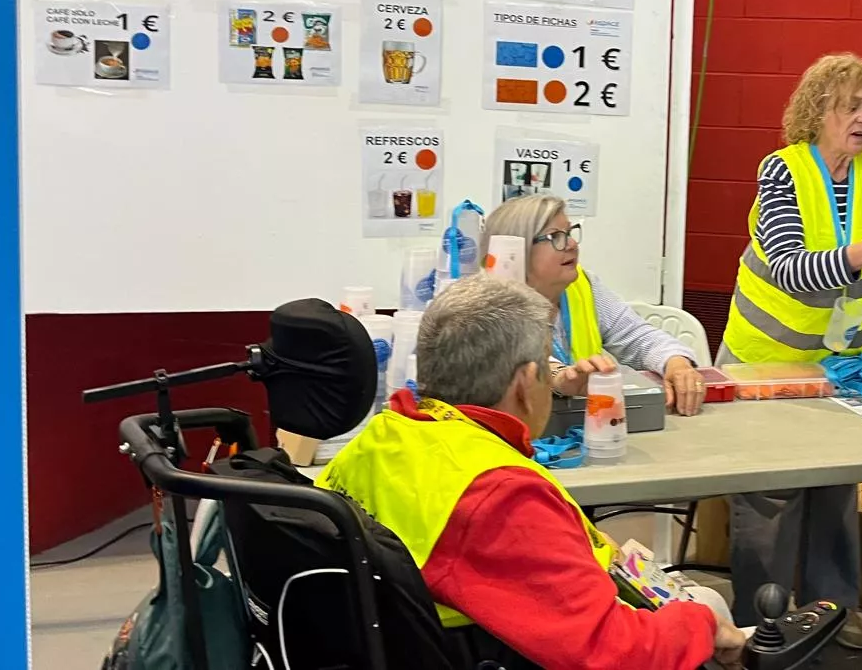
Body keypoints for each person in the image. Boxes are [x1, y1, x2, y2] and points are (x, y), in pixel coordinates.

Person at [317, 275, 746, 669]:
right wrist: (700, 626)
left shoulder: (386, 434)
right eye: (548, 364)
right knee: (709, 607)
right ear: (524, 383)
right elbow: (612, 653)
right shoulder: (498, 492)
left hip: (398, 645)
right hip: (491, 652)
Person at [718, 52, 862, 648]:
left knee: (836, 487)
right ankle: (760, 625)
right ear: (817, 110)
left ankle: (832, 612)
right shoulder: (781, 170)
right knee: (768, 499)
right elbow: (789, 269)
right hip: (765, 360)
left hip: (845, 368)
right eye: (849, 105)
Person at [482, 194, 708, 416]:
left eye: (570, 233)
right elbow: (518, 358)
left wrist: (676, 364)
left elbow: (637, 336)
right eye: (555, 237)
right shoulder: (487, 302)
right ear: (516, 248)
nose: (571, 244)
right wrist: (560, 378)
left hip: (584, 427)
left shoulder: (582, 286)